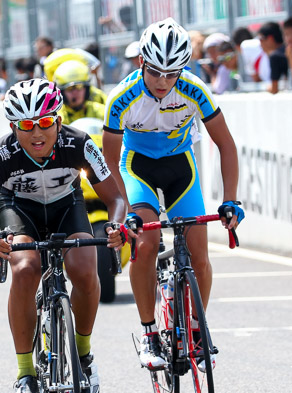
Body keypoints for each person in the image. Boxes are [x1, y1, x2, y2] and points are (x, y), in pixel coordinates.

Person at [0, 79, 127, 393]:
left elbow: (115, 198)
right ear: (13, 127)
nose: (37, 133)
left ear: (57, 119)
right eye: (26, 126)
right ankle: (25, 374)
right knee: (26, 269)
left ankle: (83, 354)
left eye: (44, 122)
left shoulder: (80, 144)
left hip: (67, 207)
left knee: (85, 267)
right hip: (19, 210)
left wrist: (116, 225)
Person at [103, 18, 243, 371]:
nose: (164, 81)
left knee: (199, 252)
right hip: (137, 168)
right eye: (155, 72)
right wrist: (123, 214)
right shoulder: (122, 97)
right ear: (141, 64)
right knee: (146, 242)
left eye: (172, 73)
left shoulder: (195, 89)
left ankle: (196, 330)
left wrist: (231, 200)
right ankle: (149, 333)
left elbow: (225, 145)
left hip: (181, 165)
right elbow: (108, 162)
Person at [54, 60, 106, 124]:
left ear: (87, 89)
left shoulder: (101, 111)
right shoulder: (58, 118)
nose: (75, 92)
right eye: (69, 88)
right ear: (62, 93)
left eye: (79, 86)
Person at [258, 21, 288, 94]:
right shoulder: (287, 49)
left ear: (270, 38)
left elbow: (274, 89)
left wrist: (267, 87)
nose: (260, 43)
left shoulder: (275, 56)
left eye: (261, 39)